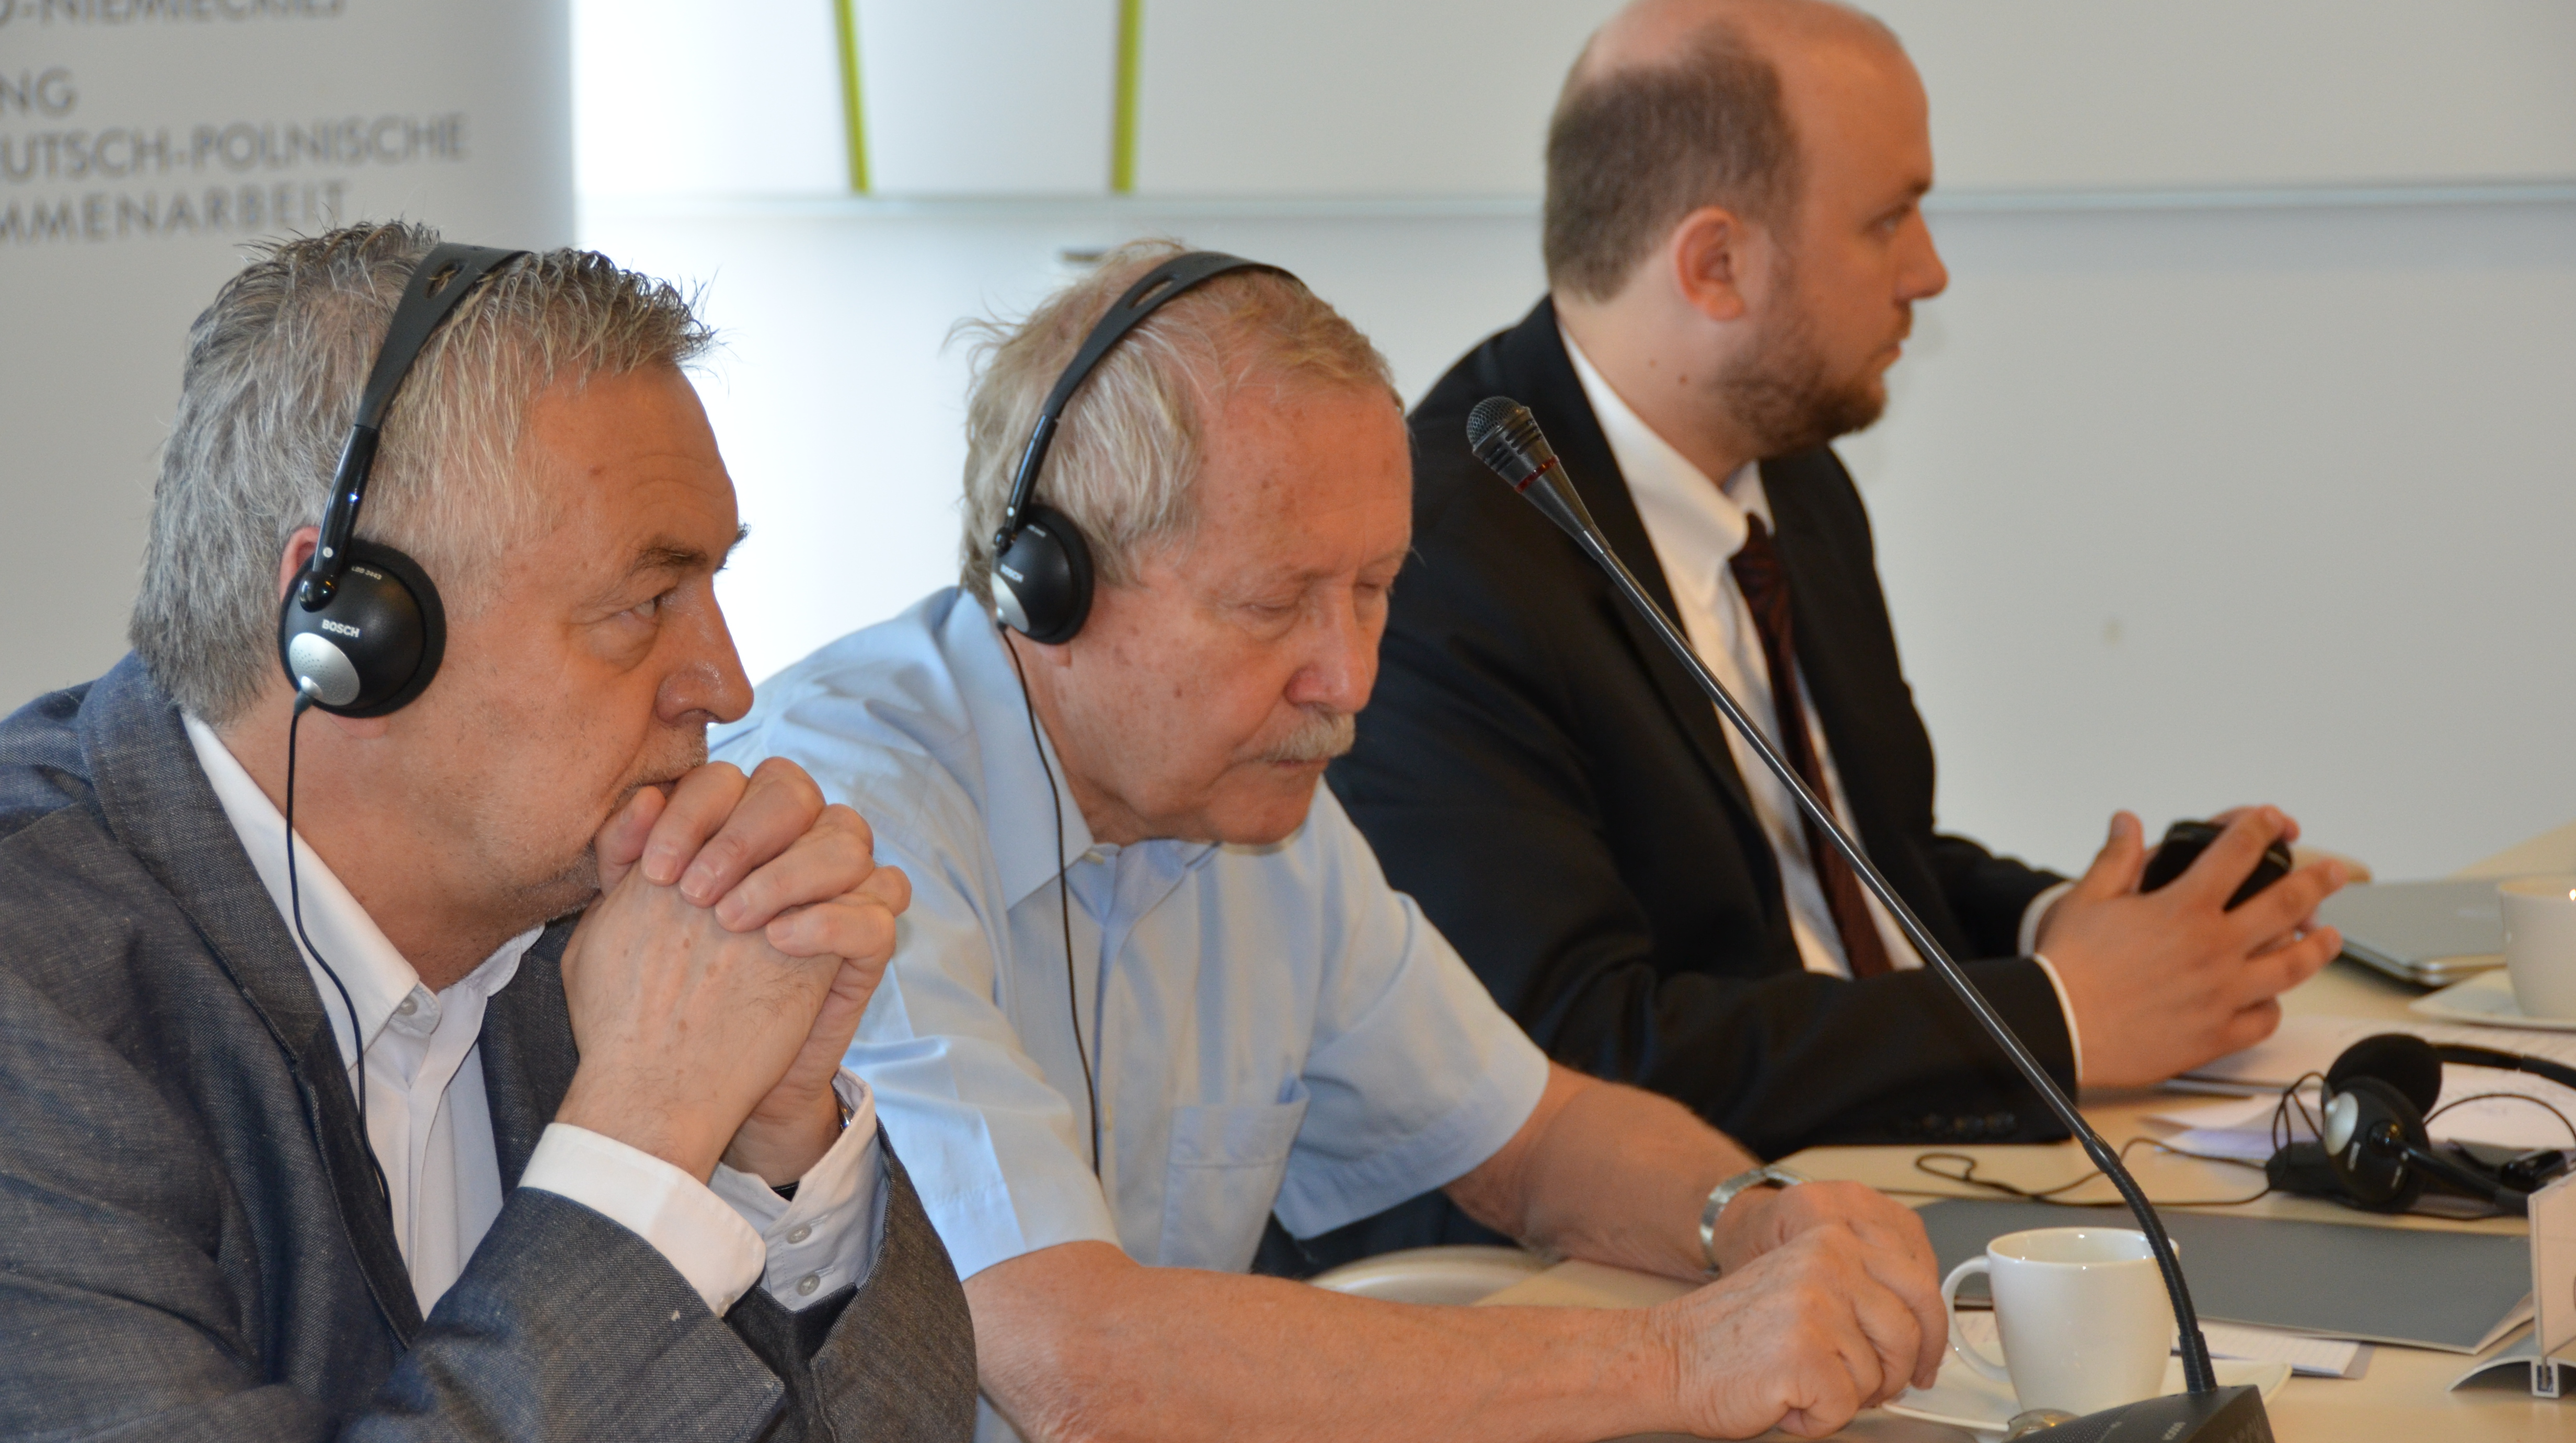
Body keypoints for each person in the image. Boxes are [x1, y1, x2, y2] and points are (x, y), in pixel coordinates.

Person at [718, 241, 1971, 1443]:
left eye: (1374, 591)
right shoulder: (842, 822)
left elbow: (1533, 1139)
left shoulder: (1260, 810)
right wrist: (1686, 1363)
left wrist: (1752, 1224)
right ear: (1049, 585)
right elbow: (1075, 1365)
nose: (1350, 679)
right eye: (1277, 604)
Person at [1326, 0, 2356, 1232]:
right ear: (1714, 264)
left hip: (1882, 1180)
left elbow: (1859, 870)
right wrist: (2058, 1013)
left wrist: (2104, 929)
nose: (1929, 272)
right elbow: (1573, 1054)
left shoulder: (1793, 477)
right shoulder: (1437, 562)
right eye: (1888, 220)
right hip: (1638, 1252)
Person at [0, 225, 975, 1439]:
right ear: (351, 630)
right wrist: (645, 1136)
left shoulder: (602, 927)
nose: (725, 686)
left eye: (712, 589)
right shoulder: (34, 996)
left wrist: (774, 1141)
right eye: (644, 603)